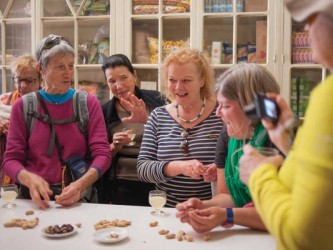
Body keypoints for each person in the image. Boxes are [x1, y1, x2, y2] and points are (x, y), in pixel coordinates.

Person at [239, 1, 333, 249]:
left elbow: (303, 237)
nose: (307, 26)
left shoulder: (328, 97)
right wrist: (287, 142)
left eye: (311, 17)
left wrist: (258, 174)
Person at [3, 35, 111, 209]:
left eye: (70, 66)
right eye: (60, 66)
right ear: (41, 69)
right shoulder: (23, 107)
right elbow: (10, 160)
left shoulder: (88, 103)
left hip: (79, 199)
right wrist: (29, 179)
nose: (68, 73)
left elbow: (103, 154)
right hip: (35, 202)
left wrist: (81, 184)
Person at [175, 63, 280, 232]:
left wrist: (228, 215)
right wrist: (202, 206)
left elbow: (283, 213)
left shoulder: (282, 138)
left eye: (226, 106)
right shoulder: (227, 136)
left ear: (252, 107)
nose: (217, 113)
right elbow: (228, 196)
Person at [137, 48, 223, 208]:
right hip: (168, 212)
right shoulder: (158, 116)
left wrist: (219, 169)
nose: (178, 87)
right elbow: (142, 169)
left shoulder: (221, 113)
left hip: (210, 212)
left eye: (186, 80)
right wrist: (179, 167)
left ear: (202, 80)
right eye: (172, 80)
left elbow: (237, 162)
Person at [98, 54, 166, 206]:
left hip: (156, 175)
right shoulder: (104, 112)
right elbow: (99, 156)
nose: (119, 85)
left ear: (134, 75)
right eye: (112, 81)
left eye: (123, 78)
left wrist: (147, 120)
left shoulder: (157, 100)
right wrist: (115, 145)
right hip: (122, 181)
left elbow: (172, 138)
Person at [0, 55, 42, 186]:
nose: (22, 86)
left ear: (40, 80)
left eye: (29, 81)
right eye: (18, 80)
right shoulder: (2, 101)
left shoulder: (46, 104)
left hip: (35, 171)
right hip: (4, 171)